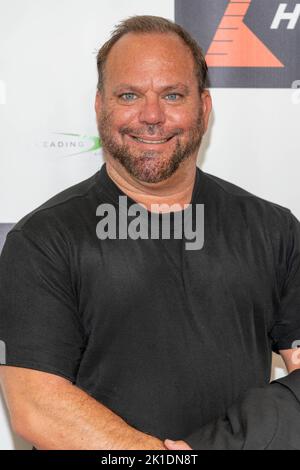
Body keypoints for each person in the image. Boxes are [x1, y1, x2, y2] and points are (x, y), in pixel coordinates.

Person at [1, 15, 300, 451]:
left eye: (173, 95)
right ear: (100, 106)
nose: (152, 116)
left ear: (205, 107)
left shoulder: (273, 230)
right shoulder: (43, 240)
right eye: (129, 95)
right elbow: (35, 405)